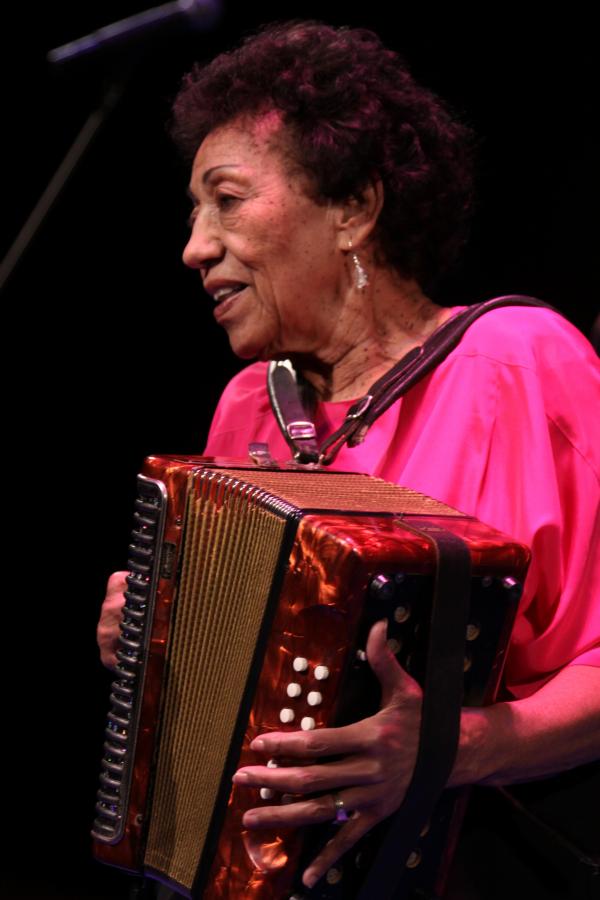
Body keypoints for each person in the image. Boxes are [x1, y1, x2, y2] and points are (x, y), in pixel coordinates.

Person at [97, 21, 600, 895]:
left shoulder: (520, 362)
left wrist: (457, 745)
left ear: (354, 209)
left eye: (226, 199)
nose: (194, 246)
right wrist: (154, 634)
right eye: (192, 211)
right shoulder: (252, 402)